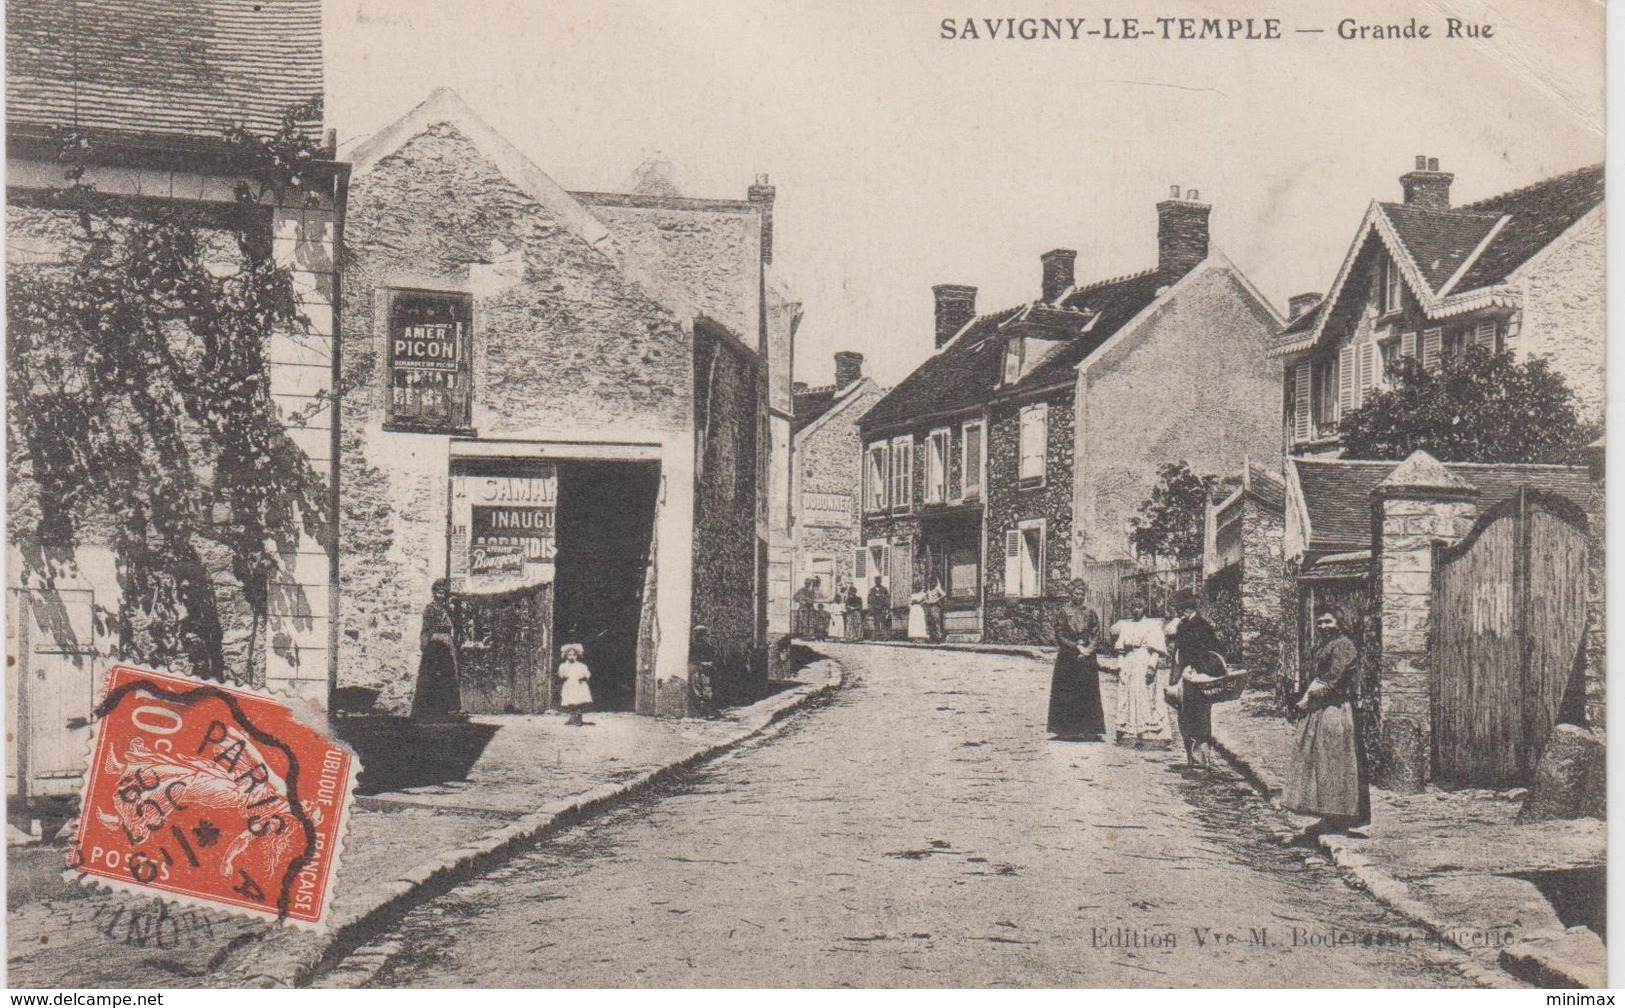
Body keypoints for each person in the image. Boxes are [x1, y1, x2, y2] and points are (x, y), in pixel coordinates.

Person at [1282, 610, 1369, 835]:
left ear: (1339, 622)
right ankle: (1327, 816)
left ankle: (1339, 817)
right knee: (1320, 763)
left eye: (1328, 621)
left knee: (1334, 762)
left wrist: (1308, 699)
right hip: (1321, 708)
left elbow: (1333, 680)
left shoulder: (1343, 646)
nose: (1323, 625)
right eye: (1320, 621)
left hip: (1335, 709)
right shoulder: (1324, 645)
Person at [1167, 589, 1224, 767]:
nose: (1178, 611)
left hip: (1198, 676)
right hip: (1186, 675)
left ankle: (1202, 756)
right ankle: (1192, 756)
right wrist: (1175, 676)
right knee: (1185, 714)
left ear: (1186, 609)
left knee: (1199, 715)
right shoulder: (1183, 625)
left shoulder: (1201, 626)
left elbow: (1209, 651)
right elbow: (1178, 652)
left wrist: (1196, 667)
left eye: (1180, 608)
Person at [1046, 579, 1106, 741]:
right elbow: (1060, 634)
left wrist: (1088, 650)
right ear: (1071, 593)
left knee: (1087, 692)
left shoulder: (1090, 612)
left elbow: (1096, 634)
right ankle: (1066, 730)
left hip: (1086, 657)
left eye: (1082, 594)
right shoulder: (1064, 611)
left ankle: (1089, 729)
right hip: (1069, 656)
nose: (1079, 597)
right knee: (1067, 692)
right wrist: (1076, 647)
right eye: (1076, 593)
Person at [1109, 597, 1172, 747]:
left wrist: (1152, 666)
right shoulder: (1127, 626)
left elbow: (1156, 650)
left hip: (1144, 659)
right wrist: (1120, 665)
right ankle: (1128, 729)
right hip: (1129, 661)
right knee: (1127, 694)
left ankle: (1148, 731)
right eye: (1133, 607)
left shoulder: (1151, 626)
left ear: (1144, 608)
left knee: (1146, 694)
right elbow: (1120, 649)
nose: (1136, 610)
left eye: (1139, 607)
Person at [411, 579, 463, 721]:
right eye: (439, 592)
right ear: (434, 593)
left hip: (447, 640)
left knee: (450, 674)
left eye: (444, 593)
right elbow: (426, 629)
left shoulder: (447, 609)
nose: (441, 596)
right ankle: (430, 709)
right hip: (435, 641)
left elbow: (455, 625)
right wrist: (426, 646)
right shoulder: (430, 609)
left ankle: (450, 708)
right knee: (432, 674)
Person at [557, 642, 593, 726]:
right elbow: (560, 674)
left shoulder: (581, 666)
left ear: (577, 655)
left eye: (574, 655)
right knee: (570, 702)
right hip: (569, 685)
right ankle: (572, 718)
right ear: (566, 655)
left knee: (578, 702)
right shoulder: (564, 666)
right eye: (569, 655)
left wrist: (584, 677)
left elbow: (587, 674)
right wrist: (563, 676)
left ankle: (578, 719)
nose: (572, 657)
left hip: (579, 685)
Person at [689, 625, 717, 716]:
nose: (701, 637)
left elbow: (712, 659)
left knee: (706, 688)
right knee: (696, 688)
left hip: (705, 670)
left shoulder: (708, 647)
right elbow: (692, 658)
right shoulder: (693, 647)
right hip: (696, 670)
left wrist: (708, 663)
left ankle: (706, 710)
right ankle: (700, 711)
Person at [866, 576, 891, 641]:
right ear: (875, 581)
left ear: (881, 581)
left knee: (883, 623)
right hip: (875, 609)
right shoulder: (872, 590)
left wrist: (887, 608)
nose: (877, 582)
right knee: (876, 623)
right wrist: (870, 608)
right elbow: (869, 599)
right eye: (876, 580)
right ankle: (876, 636)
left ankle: (884, 637)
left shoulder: (884, 589)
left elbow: (887, 599)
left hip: (882, 608)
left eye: (879, 580)